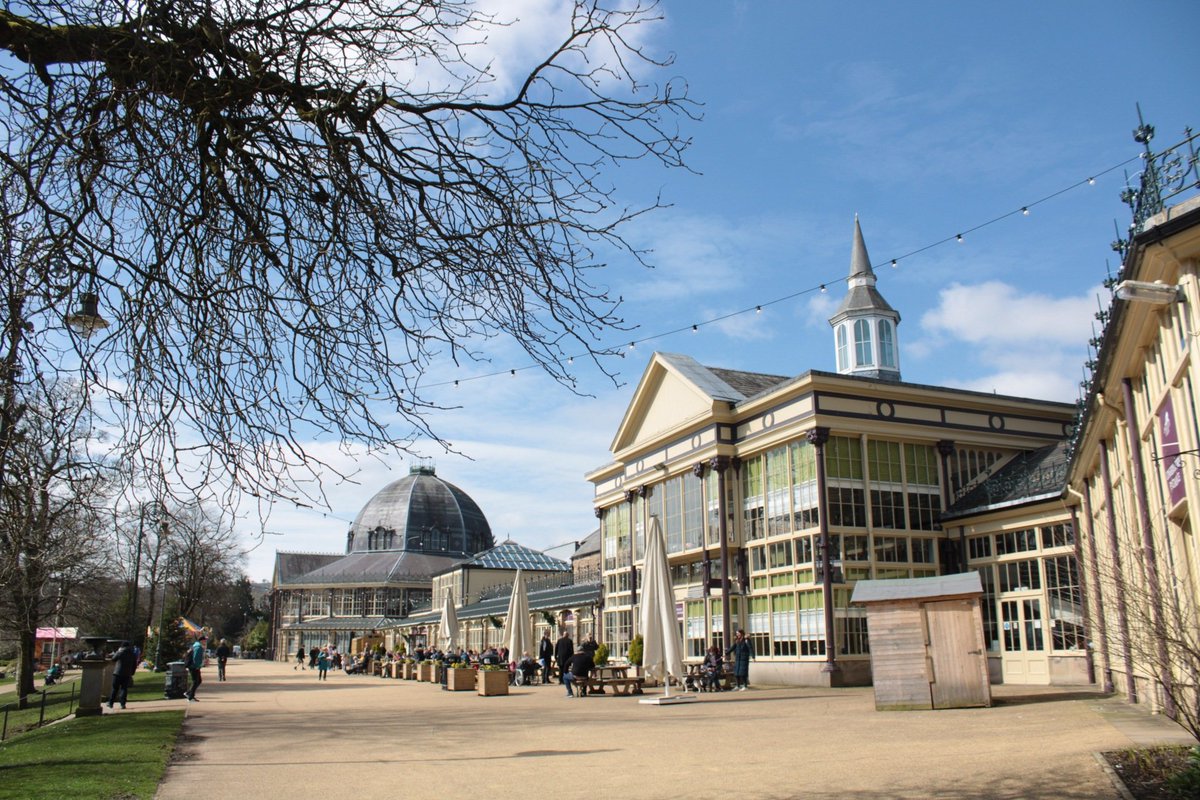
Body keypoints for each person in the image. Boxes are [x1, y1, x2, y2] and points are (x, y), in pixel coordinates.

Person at [106, 641, 138, 709]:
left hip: (117, 673)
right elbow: (135, 665)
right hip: (127, 673)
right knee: (124, 689)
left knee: (115, 688)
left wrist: (117, 651)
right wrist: (132, 672)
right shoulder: (132, 654)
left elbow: (113, 659)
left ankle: (111, 703)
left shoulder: (120, 652)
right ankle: (122, 704)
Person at [186, 634, 207, 702]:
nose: (205, 642)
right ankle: (190, 697)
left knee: (198, 680)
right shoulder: (198, 647)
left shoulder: (195, 645)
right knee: (195, 681)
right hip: (194, 666)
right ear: (201, 641)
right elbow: (196, 658)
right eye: (204, 640)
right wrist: (197, 666)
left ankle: (189, 693)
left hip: (192, 665)